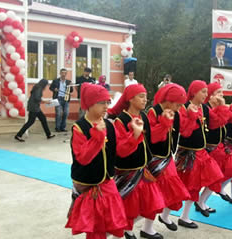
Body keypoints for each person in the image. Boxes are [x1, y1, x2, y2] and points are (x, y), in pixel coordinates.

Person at [65, 83, 127, 239]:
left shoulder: (109, 126)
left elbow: (119, 151)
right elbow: (83, 158)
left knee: (112, 219)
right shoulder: (79, 127)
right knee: (94, 226)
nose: (106, 106)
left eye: (107, 102)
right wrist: (97, 136)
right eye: (101, 103)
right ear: (89, 104)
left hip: (107, 181)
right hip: (89, 183)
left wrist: (134, 137)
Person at [108, 84, 166, 239]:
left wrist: (165, 124)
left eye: (146, 96)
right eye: (141, 96)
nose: (145, 99)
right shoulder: (121, 120)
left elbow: (151, 139)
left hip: (143, 169)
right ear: (130, 99)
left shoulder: (144, 116)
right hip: (128, 171)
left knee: (153, 203)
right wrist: (134, 135)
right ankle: (125, 232)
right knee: (129, 206)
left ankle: (145, 229)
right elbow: (121, 150)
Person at [175, 80, 224, 228]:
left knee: (215, 177)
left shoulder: (203, 108)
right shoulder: (183, 107)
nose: (206, 94)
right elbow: (184, 130)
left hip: (201, 153)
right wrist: (190, 115)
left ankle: (197, 205)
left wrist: (221, 107)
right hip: (188, 154)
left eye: (206, 91)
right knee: (184, 187)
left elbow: (216, 123)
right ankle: (177, 216)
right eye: (203, 91)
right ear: (194, 92)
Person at [146, 84, 191, 232]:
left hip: (168, 157)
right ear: (169, 101)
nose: (179, 108)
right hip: (153, 160)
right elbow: (152, 138)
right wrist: (164, 124)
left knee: (174, 192)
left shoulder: (176, 114)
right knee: (151, 196)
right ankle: (146, 228)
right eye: (177, 104)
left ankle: (164, 216)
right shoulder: (153, 112)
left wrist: (191, 117)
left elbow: (183, 132)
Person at [200, 82, 232, 212]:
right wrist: (223, 106)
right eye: (218, 93)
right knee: (215, 177)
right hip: (209, 150)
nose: (221, 96)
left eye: (222, 93)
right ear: (211, 96)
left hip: (220, 147)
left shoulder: (219, 108)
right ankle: (201, 202)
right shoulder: (206, 109)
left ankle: (203, 200)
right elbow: (217, 122)